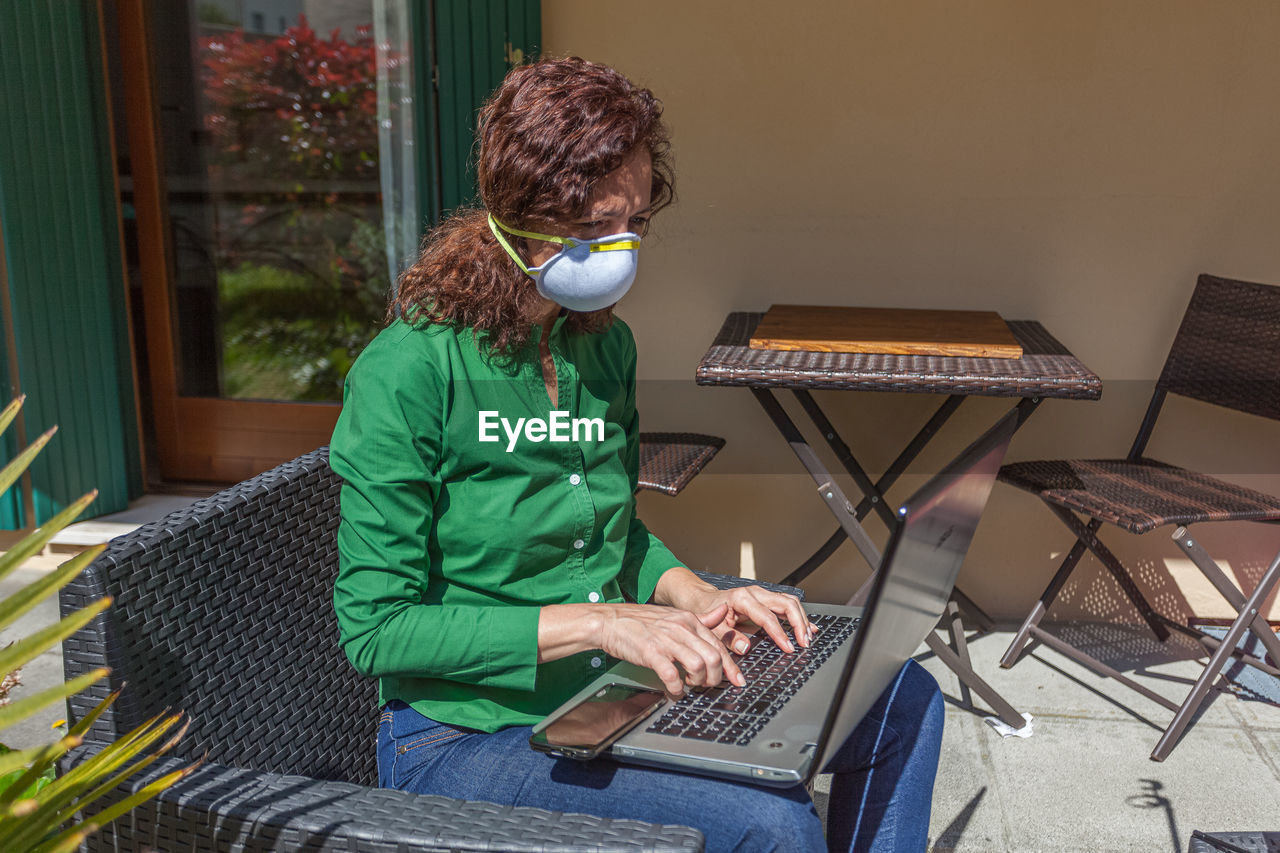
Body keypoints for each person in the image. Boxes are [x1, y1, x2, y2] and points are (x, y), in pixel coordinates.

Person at [330, 56, 944, 852]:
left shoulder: (603, 346)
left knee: (903, 699)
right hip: (461, 739)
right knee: (774, 828)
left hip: (603, 693)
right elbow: (377, 630)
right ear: (515, 211)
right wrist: (603, 622)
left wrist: (694, 595)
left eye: (633, 226)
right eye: (589, 230)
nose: (617, 255)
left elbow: (614, 532)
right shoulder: (410, 371)